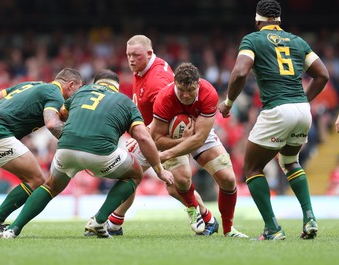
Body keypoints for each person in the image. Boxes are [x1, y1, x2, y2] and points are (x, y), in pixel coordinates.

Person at [87, 35, 246, 237]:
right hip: (156, 132)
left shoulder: (159, 84)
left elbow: (176, 129)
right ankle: (113, 223)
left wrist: (160, 147)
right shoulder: (147, 68)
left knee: (194, 180)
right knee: (154, 180)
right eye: (128, 55)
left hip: (174, 130)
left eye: (135, 55)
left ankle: (217, 223)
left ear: (149, 54)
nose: (131, 59)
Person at [1, 69, 174, 238]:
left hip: (66, 148)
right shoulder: (124, 101)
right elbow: (143, 138)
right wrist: (159, 170)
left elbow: (61, 115)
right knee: (135, 174)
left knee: (50, 186)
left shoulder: (81, 92)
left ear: (95, 83)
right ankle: (98, 221)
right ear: (116, 87)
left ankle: (13, 228)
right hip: (100, 152)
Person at [218, 0, 329, 240]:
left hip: (277, 110)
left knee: (252, 168)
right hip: (301, 110)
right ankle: (309, 217)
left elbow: (239, 72)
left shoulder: (253, 39)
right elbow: (322, 75)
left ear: (257, 20)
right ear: (279, 19)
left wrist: (228, 103)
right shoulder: (298, 41)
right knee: (290, 162)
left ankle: (272, 228)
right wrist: (303, 100)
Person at [0, 68, 83, 237]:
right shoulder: (55, 94)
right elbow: (52, 124)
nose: (77, 96)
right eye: (79, 89)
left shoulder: (29, 85)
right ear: (71, 85)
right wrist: (76, 142)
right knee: (36, 180)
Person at [150, 62, 248, 238]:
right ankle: (197, 212)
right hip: (172, 138)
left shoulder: (208, 92)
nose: (186, 95)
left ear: (198, 84)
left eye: (191, 90)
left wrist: (167, 154)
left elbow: (200, 138)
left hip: (198, 134)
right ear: (174, 84)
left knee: (228, 178)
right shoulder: (164, 98)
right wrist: (181, 141)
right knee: (180, 180)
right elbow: (156, 140)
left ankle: (228, 230)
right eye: (181, 90)